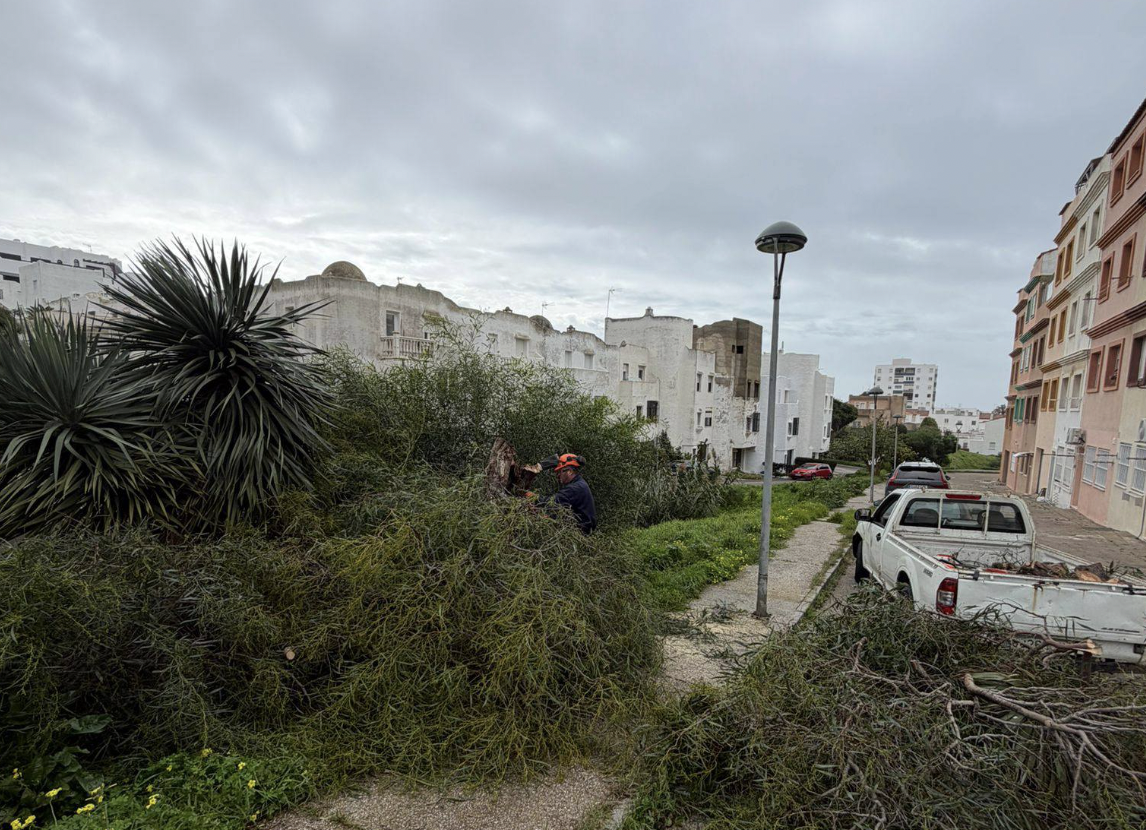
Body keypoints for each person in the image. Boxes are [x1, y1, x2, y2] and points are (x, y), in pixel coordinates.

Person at [539, 453, 597, 533]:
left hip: (580, 533)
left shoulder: (575, 488)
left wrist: (533, 497)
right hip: (578, 530)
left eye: (560, 472)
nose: (558, 476)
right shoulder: (578, 484)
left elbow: (553, 502)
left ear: (569, 471)